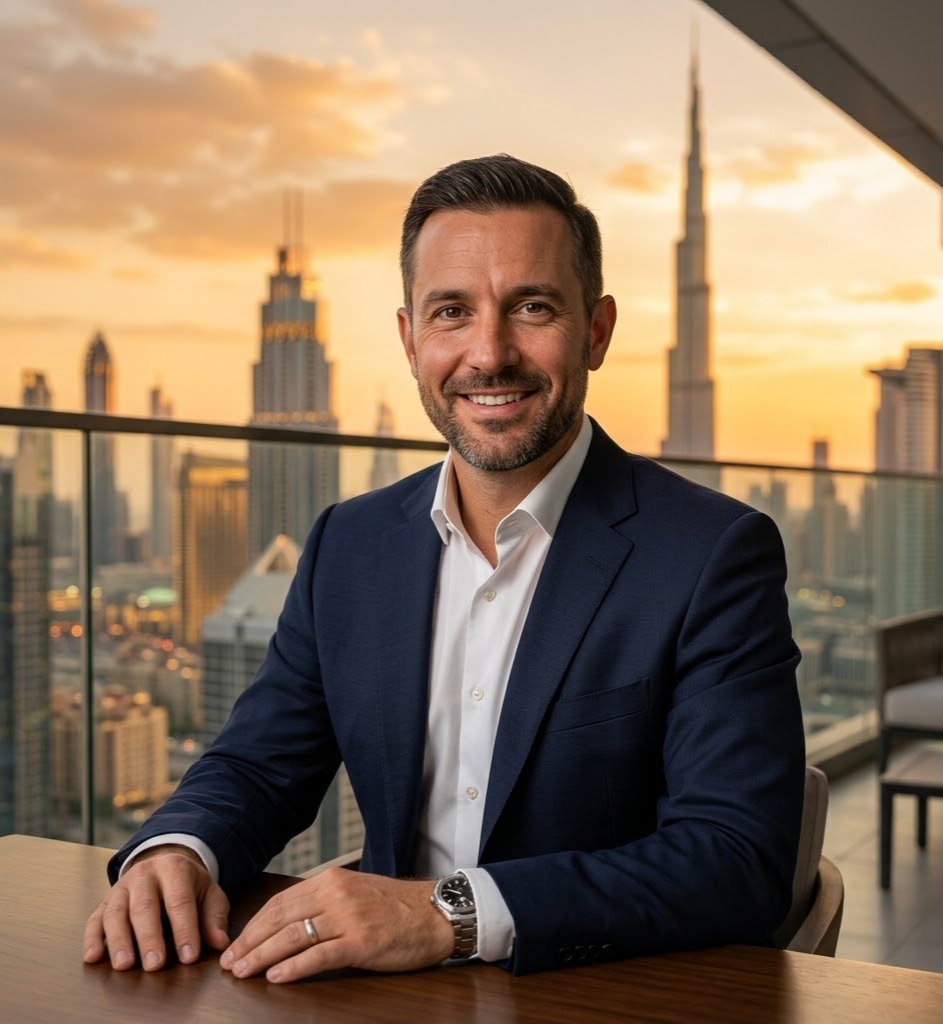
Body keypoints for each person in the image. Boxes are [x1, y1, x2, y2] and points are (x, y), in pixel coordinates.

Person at [83, 154, 805, 982]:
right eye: (451, 312)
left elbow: (734, 858)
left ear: (597, 331)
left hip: (594, 993)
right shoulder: (347, 545)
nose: (489, 353)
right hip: (381, 994)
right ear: (409, 338)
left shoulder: (712, 553)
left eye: (531, 307)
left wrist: (446, 914)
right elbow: (257, 763)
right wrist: (178, 852)